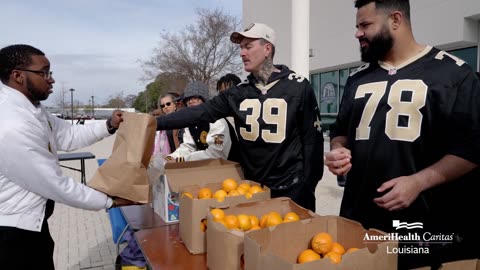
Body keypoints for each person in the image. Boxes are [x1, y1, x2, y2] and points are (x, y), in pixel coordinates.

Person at [325, 1, 480, 268]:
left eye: (365, 25)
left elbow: (472, 149)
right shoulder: (356, 79)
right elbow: (340, 133)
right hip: (360, 218)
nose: (357, 33)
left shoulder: (454, 74)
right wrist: (339, 151)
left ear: (395, 20)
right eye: (357, 26)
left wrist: (419, 181)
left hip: (425, 227)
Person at [155, 23, 324, 211]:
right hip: (251, 188)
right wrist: (155, 123)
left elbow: (312, 142)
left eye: (248, 46)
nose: (242, 53)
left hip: (291, 187)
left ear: (267, 48)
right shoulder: (237, 93)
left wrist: (308, 185)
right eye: (241, 47)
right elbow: (200, 112)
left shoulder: (298, 86)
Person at [0, 44, 133, 269]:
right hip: (13, 235)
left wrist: (110, 125)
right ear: (18, 76)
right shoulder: (12, 123)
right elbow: (54, 184)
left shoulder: (34, 110)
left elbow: (68, 135)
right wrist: (110, 201)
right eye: (44, 72)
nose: (51, 79)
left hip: (32, 224)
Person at [165, 81, 232, 162]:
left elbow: (217, 153)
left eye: (195, 98)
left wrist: (182, 160)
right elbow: (188, 147)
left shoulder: (218, 121)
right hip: (208, 168)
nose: (190, 101)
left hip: (231, 167)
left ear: (204, 100)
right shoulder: (190, 123)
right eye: (187, 99)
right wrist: (169, 157)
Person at [153, 93, 183, 157]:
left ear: (175, 105)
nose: (166, 107)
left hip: (182, 158)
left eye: (168, 104)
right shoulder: (162, 126)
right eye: (163, 106)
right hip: (170, 158)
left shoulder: (182, 120)